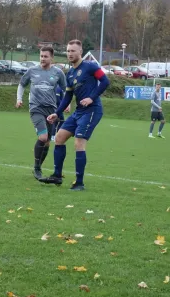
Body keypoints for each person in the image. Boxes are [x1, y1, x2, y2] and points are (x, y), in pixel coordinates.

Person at [39, 39, 110, 191]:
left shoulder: (91, 66)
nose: (70, 53)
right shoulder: (70, 73)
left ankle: (79, 183)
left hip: (92, 110)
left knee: (79, 143)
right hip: (78, 111)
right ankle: (57, 176)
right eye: (68, 51)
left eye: (73, 51)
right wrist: (56, 113)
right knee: (59, 138)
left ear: (80, 52)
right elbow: (67, 96)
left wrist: (92, 97)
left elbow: (105, 81)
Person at [15, 47, 66, 179]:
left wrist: (67, 104)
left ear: (52, 58)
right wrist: (19, 99)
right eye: (41, 56)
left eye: (45, 56)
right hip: (36, 108)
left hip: (51, 110)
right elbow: (21, 84)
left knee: (48, 142)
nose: (42, 59)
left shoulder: (58, 73)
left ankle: (38, 167)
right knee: (43, 137)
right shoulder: (32, 71)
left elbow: (67, 89)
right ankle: (37, 168)